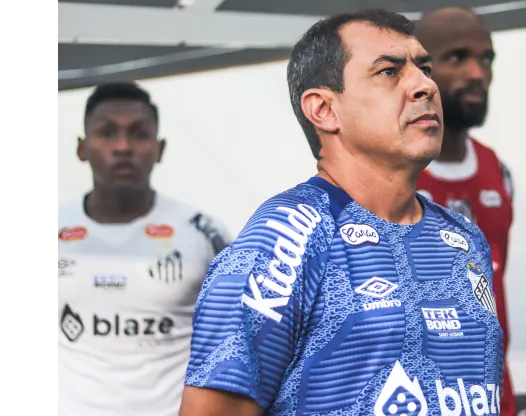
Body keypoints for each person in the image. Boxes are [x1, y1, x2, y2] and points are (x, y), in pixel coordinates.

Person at [179, 8, 505, 416]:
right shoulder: (283, 237)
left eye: (424, 67)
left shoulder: (463, 236)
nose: (424, 85)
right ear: (324, 110)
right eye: (389, 71)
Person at [58, 82, 231, 416]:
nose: (123, 147)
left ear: (160, 148)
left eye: (139, 134)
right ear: (82, 148)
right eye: (106, 133)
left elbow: (236, 342)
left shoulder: (203, 231)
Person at [413, 7, 517, 415]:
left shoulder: (498, 170)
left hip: (492, 390)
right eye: (457, 57)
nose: (477, 72)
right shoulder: (389, 174)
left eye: (486, 58)